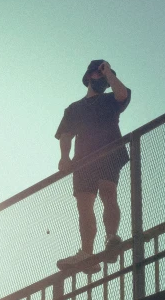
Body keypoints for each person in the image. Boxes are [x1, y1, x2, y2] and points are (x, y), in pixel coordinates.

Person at [55, 60, 131, 273]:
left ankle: (111, 239)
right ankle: (87, 254)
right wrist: (64, 157)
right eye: (99, 74)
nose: (104, 79)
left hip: (108, 152)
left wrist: (109, 73)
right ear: (89, 76)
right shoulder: (74, 108)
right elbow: (66, 134)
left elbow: (122, 95)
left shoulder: (110, 99)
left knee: (108, 193)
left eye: (106, 76)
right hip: (83, 159)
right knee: (84, 205)